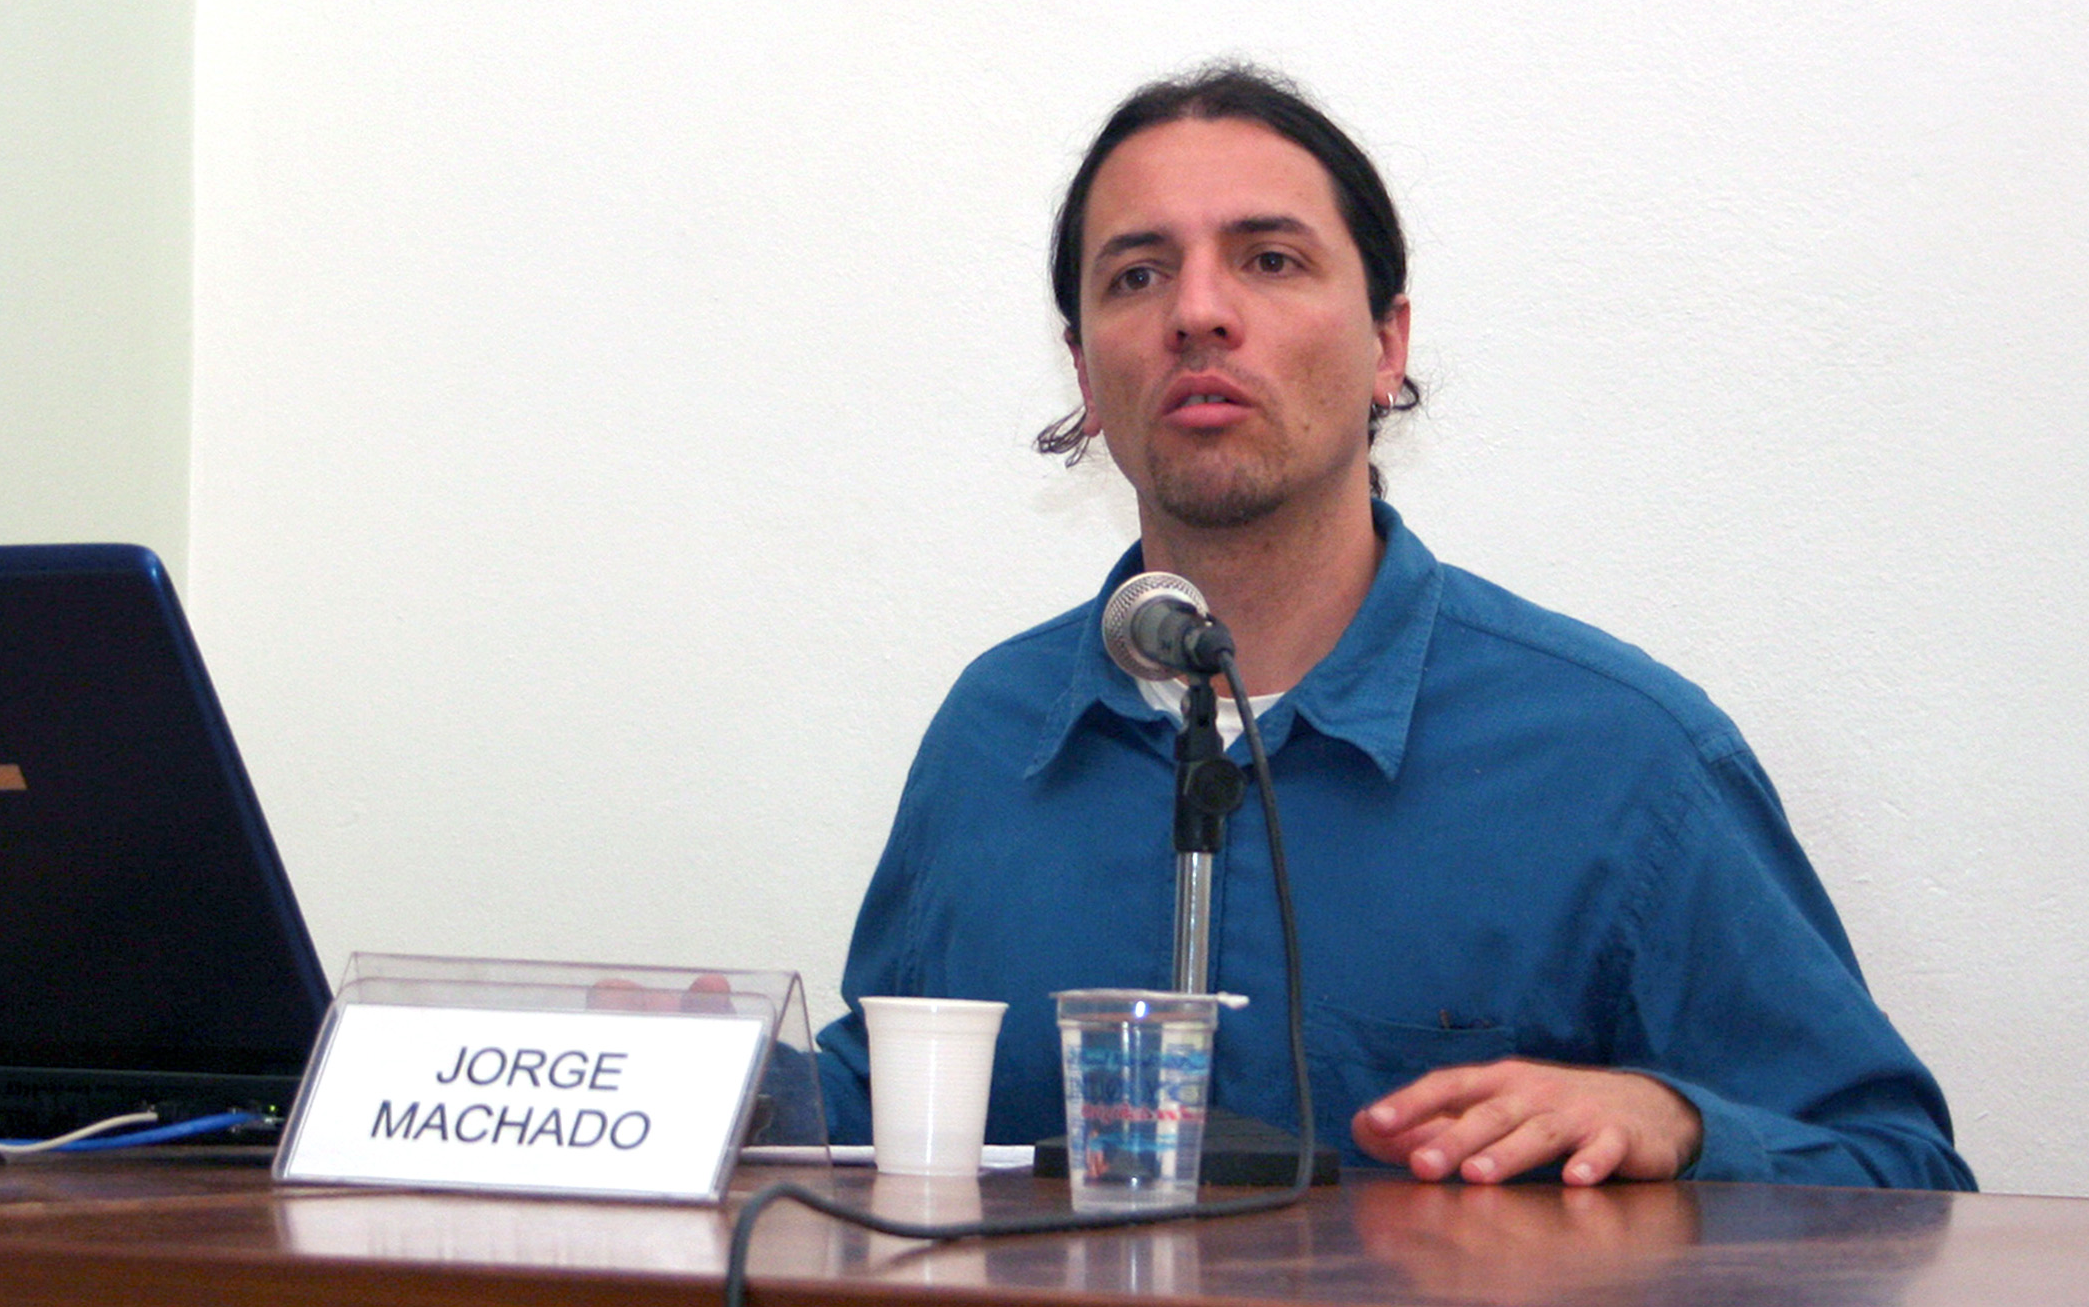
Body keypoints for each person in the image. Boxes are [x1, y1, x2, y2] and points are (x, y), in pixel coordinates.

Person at [815, 65, 1973, 1189]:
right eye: (1137, 275)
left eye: (1269, 260)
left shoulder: (1620, 759)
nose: (1197, 312)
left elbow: (1900, 1173)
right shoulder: (994, 736)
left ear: (1387, 344)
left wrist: (1677, 1124)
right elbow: (874, 1113)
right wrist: (719, 1073)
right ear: (1082, 367)